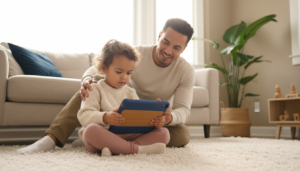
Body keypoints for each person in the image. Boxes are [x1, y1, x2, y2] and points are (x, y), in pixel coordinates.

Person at [17, 18, 195, 154]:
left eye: (177, 47)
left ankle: (110, 144)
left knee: (182, 134)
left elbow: (184, 110)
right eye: (165, 42)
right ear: (159, 36)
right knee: (89, 88)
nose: (168, 51)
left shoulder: (185, 71)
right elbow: (95, 68)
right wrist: (86, 81)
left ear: (184, 49)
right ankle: (51, 138)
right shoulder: (136, 53)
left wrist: (167, 119)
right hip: (117, 114)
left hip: (150, 121)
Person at [77, 39, 169, 156]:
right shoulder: (94, 88)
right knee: (90, 131)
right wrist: (105, 117)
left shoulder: (131, 92)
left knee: (164, 132)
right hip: (105, 134)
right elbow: (84, 116)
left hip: (127, 135)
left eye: (129, 73)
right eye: (119, 72)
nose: (124, 77)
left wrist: (155, 121)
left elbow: (138, 119)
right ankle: (135, 149)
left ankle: (116, 148)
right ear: (104, 68)